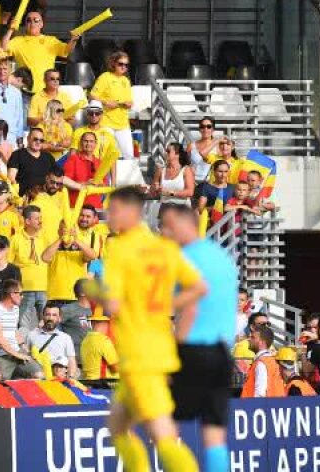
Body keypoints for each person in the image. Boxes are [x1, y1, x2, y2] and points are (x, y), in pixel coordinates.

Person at [103, 186, 207, 472]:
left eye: (113, 210)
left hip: (140, 356)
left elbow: (112, 305)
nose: (108, 216)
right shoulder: (163, 248)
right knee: (117, 426)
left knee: (162, 434)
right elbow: (198, 288)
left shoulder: (121, 249)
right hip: (155, 351)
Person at [160, 201, 238, 472]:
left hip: (194, 350)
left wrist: (174, 353)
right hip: (222, 352)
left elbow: (190, 309)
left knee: (162, 420)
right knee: (214, 433)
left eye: (169, 227)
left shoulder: (185, 259)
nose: (165, 233)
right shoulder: (222, 257)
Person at [240, 323, 284, 398]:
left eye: (253, 337)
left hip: (255, 407)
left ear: (262, 343)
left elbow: (260, 394)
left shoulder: (261, 363)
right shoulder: (270, 361)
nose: (249, 339)